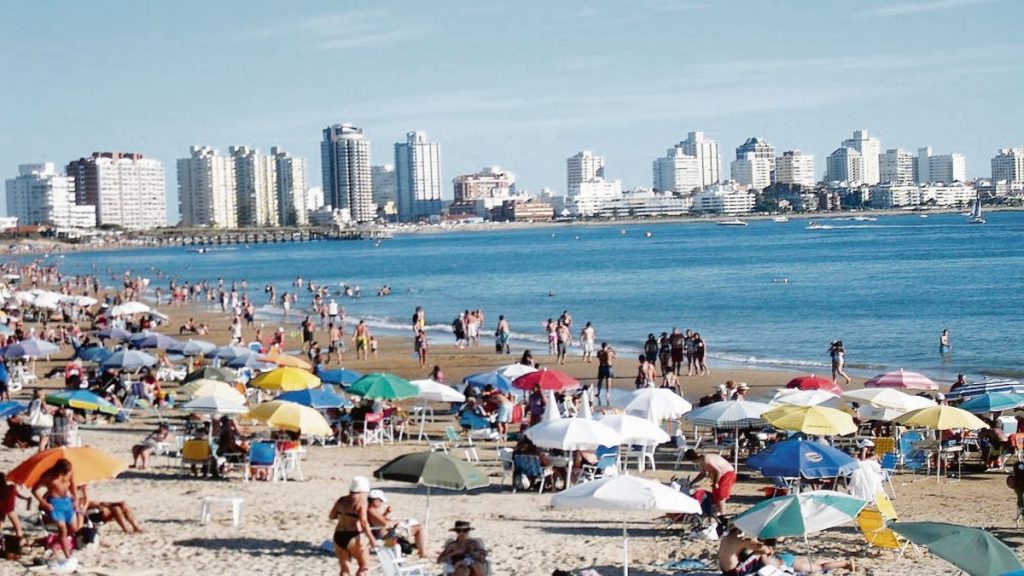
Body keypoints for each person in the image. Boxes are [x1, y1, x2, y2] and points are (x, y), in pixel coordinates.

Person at [33, 458, 78, 562]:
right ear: (58, 470)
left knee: (74, 530)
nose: (66, 474)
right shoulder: (48, 475)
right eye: (63, 472)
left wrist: (75, 498)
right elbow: (34, 490)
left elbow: (73, 486)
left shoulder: (69, 472)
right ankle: (68, 556)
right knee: (63, 529)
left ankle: (54, 544)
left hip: (67, 502)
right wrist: (44, 503)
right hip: (55, 504)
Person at [329, 476, 375, 576]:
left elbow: (331, 516)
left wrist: (345, 516)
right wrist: (372, 539)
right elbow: (363, 522)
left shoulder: (341, 500)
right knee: (364, 566)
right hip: (353, 536)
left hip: (338, 535)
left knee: (345, 569)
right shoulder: (362, 501)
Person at [366, 489, 426, 557]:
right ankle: (422, 553)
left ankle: (418, 549)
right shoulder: (371, 511)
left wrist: (386, 513)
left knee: (412, 528)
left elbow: (378, 522)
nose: (381, 503)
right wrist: (397, 521)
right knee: (420, 527)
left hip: (387, 538)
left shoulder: (369, 510)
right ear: (375, 500)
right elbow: (385, 523)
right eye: (380, 501)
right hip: (387, 541)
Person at [685, 449, 736, 516]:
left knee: (721, 495)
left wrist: (715, 483)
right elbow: (703, 474)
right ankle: (718, 510)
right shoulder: (702, 461)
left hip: (727, 474)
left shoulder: (706, 460)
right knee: (716, 494)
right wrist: (693, 482)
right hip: (721, 474)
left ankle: (722, 513)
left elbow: (718, 471)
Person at [78, 485, 143, 534]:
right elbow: (93, 504)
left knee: (123, 505)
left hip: (99, 511)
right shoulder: (77, 499)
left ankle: (136, 527)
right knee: (116, 508)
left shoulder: (83, 497)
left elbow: (98, 503)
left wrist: (114, 503)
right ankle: (126, 529)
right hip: (93, 515)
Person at [0, 472, 24, 543]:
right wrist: (17, 483)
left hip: (1, 509)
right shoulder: (11, 488)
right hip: (9, 509)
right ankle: (19, 541)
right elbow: (17, 494)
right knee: (17, 526)